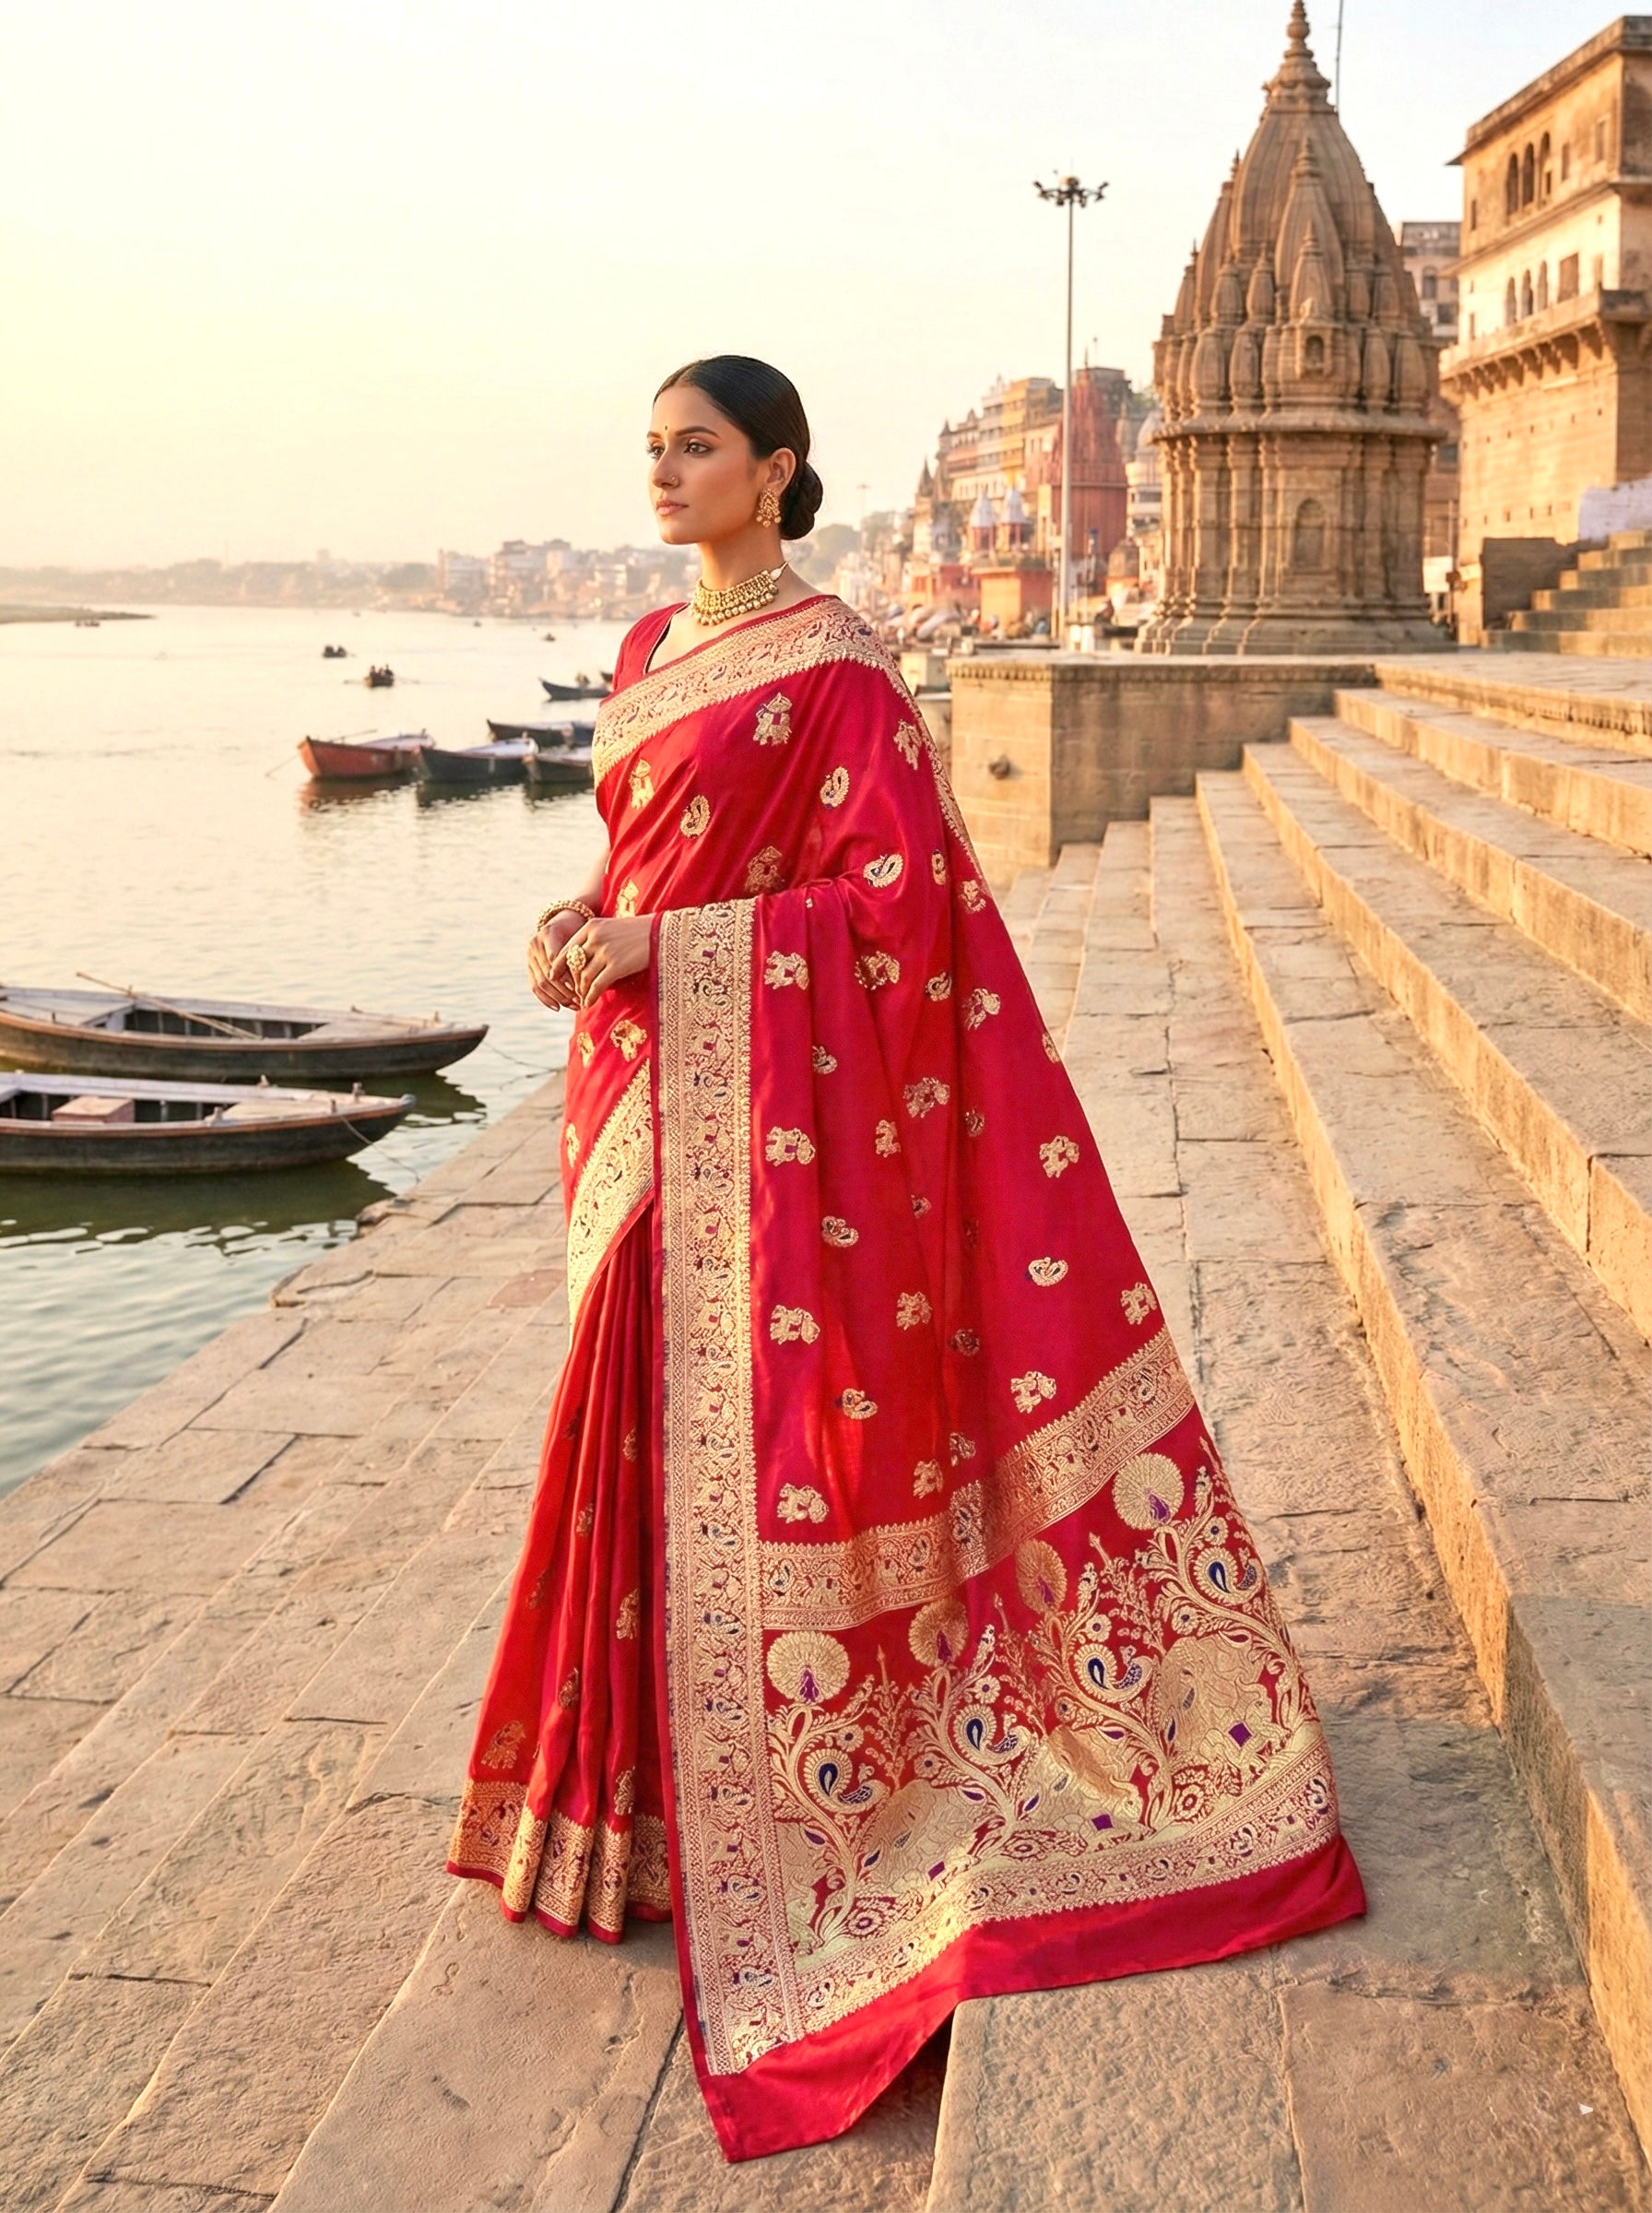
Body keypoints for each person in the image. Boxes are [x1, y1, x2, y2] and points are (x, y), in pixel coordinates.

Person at [447, 354, 1364, 2162]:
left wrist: (673, 953)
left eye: (694, 448)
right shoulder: (640, 659)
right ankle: (621, 1804)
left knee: (767, 1453)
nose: (663, 473)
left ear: (778, 470)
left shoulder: (844, 670)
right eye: (648, 448)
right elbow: (636, 858)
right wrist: (586, 926)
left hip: (763, 1117)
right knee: (622, 1438)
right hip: (638, 1108)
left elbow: (896, 915)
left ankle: (822, 1810)